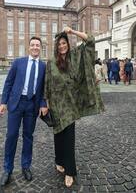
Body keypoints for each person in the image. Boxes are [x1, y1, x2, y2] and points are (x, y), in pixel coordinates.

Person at [44, 27, 104, 188]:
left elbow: (90, 40)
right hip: (56, 105)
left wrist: (73, 32)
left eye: (64, 43)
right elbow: (47, 85)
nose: (62, 46)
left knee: (69, 138)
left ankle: (70, 171)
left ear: (68, 45)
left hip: (70, 104)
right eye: (60, 44)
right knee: (58, 135)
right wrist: (46, 105)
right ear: (56, 46)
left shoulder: (75, 56)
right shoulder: (51, 62)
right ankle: (59, 161)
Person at [0, 36, 48, 186]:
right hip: (16, 103)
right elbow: (9, 82)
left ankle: (26, 166)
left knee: (28, 136)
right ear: (29, 47)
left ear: (41, 48)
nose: (35, 47)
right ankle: (8, 169)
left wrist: (43, 104)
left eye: (37, 45)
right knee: (11, 135)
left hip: (32, 105)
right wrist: (3, 102)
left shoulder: (44, 66)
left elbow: (44, 88)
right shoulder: (18, 62)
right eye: (32, 45)